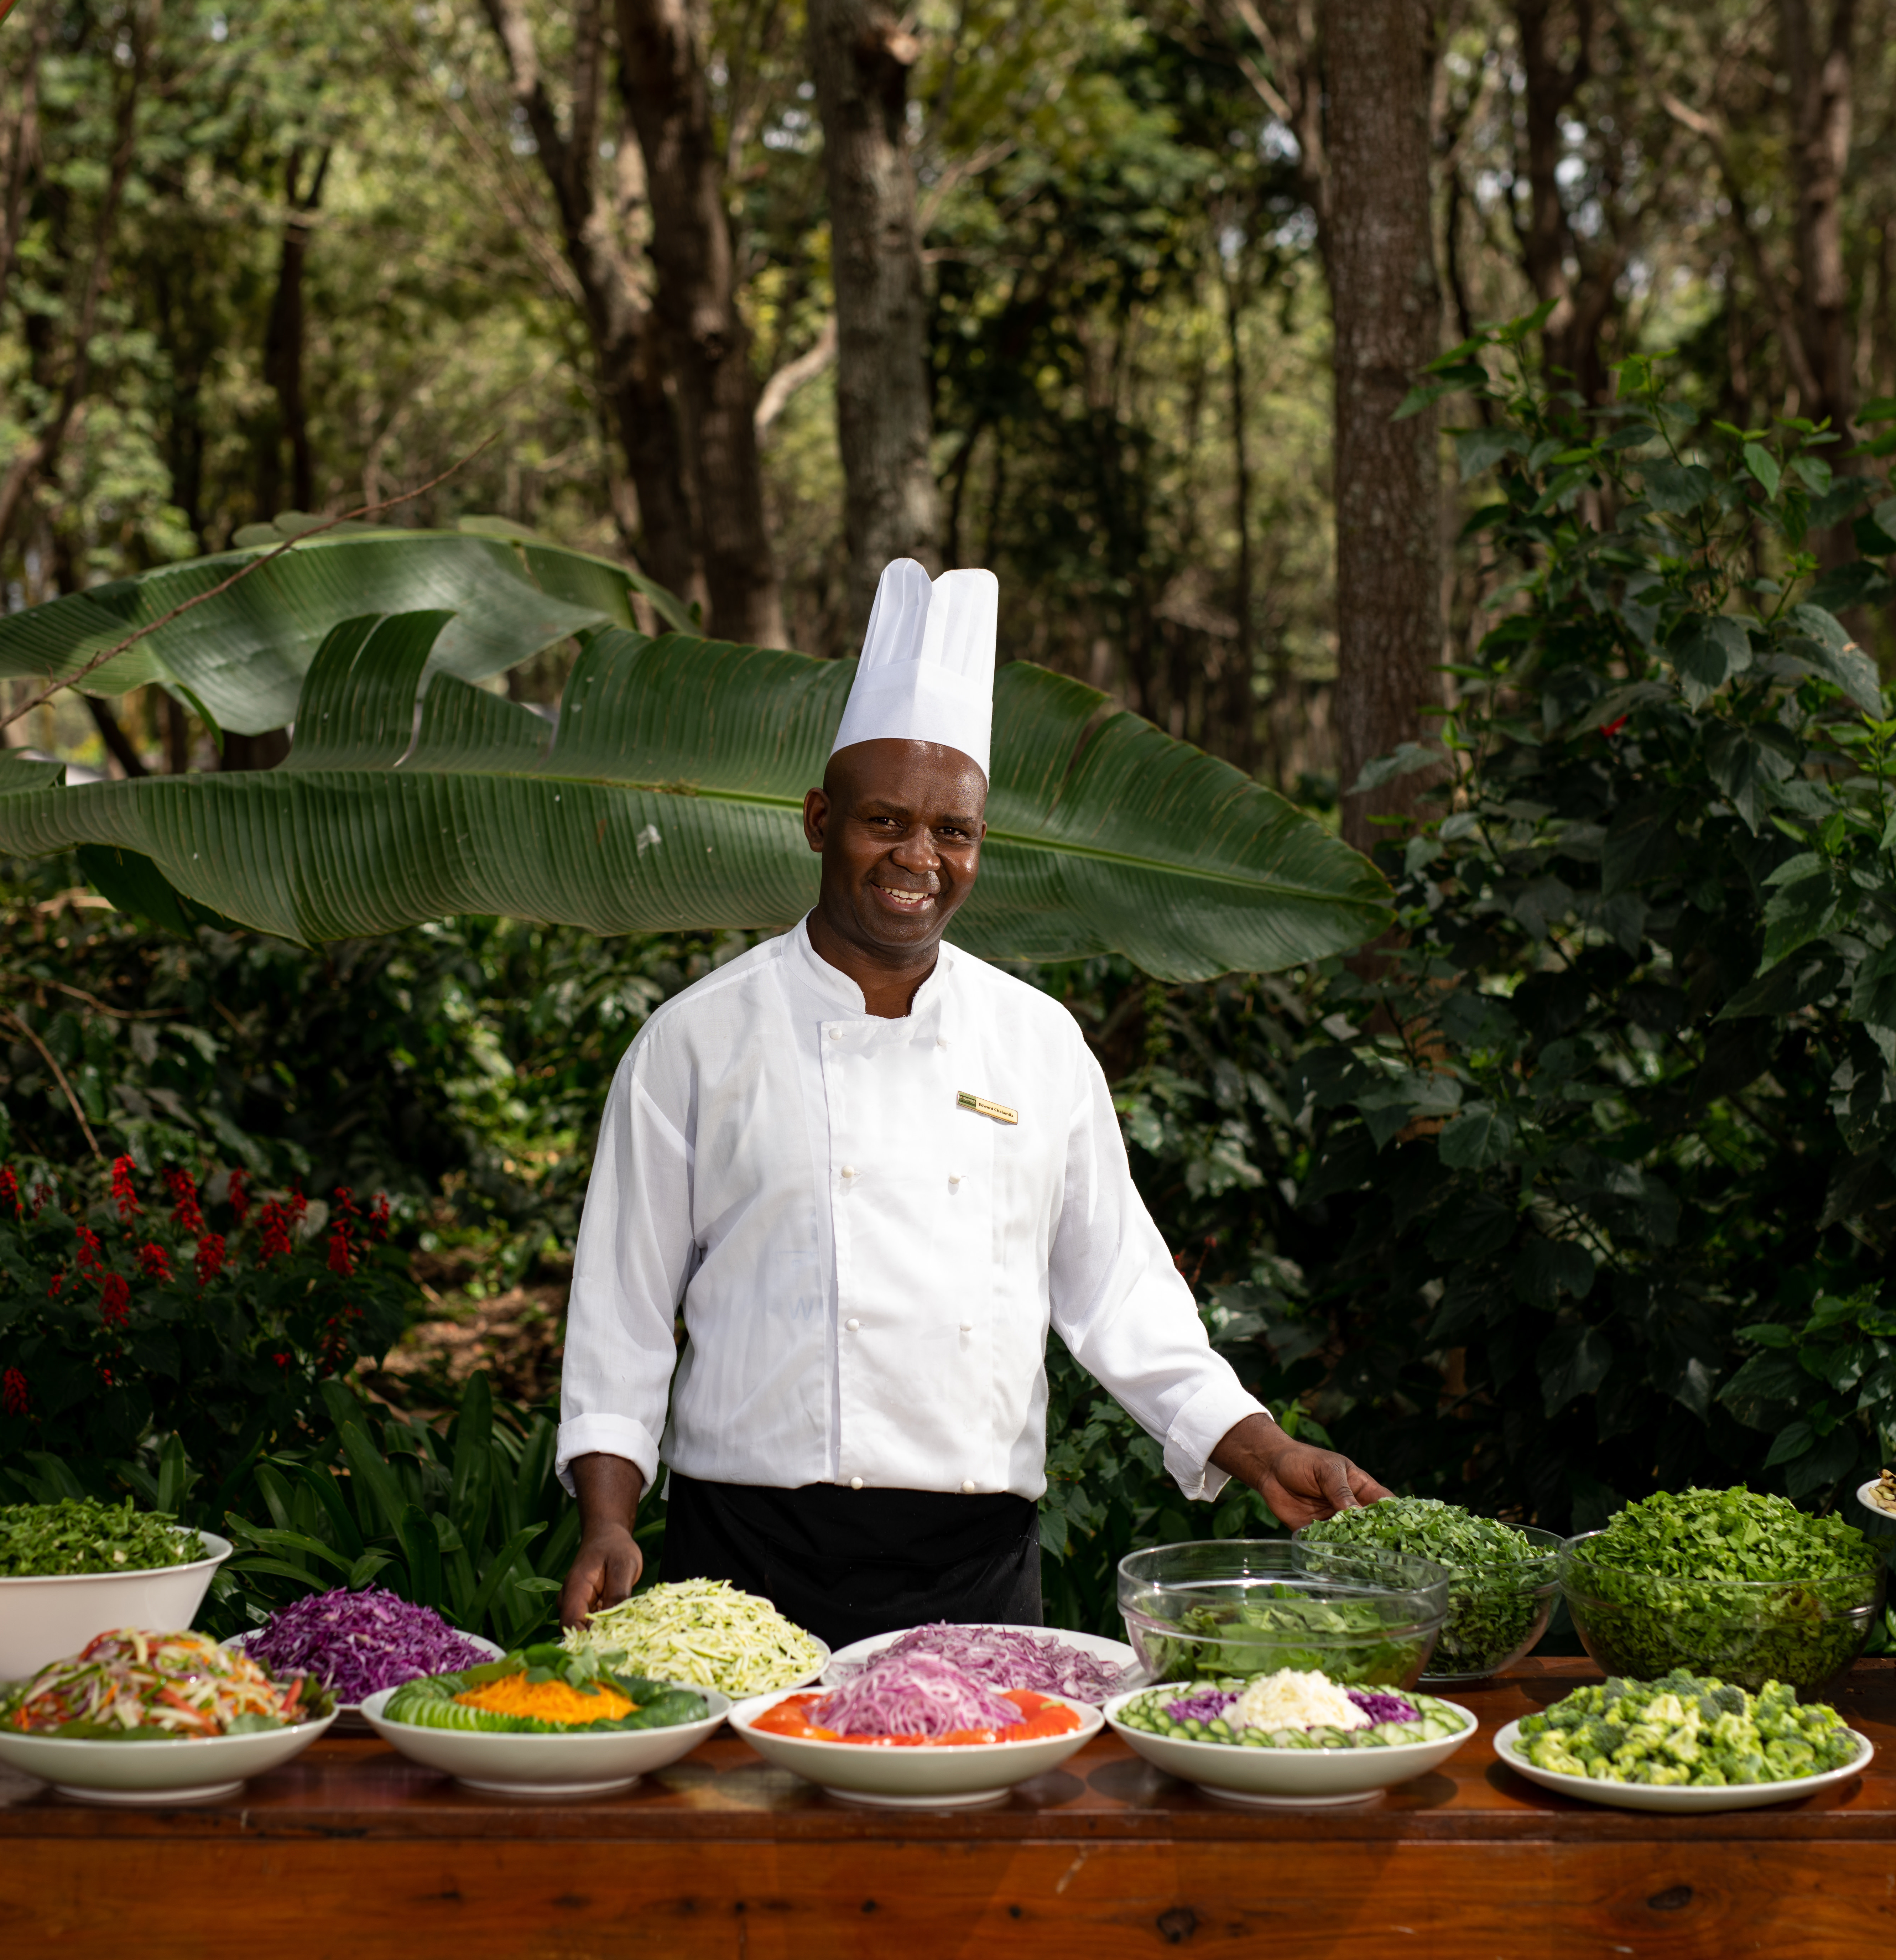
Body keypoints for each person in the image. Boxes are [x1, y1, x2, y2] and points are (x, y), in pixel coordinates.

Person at [554, 559, 1387, 1647]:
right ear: (818, 820)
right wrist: (609, 1518)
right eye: (885, 822)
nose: (919, 858)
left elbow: (1121, 1291)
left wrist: (1265, 1449)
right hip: (748, 1555)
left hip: (977, 1563)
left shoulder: (1035, 1042)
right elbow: (621, 1312)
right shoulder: (697, 1042)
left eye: (955, 832)